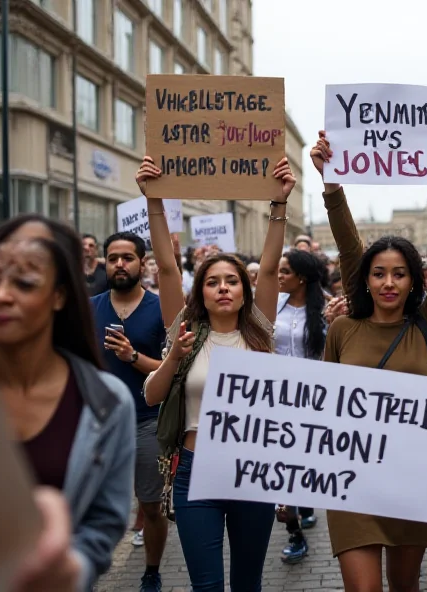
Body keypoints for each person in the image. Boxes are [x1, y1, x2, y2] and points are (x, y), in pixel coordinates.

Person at [311, 130, 427, 591]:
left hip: (409, 475)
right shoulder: (342, 329)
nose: (388, 282)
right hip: (350, 477)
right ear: (365, 280)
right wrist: (331, 186)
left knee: (404, 588)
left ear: (413, 280)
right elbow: (319, 399)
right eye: (378, 273)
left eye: (399, 274)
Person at [138, 155, 295, 592]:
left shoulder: (260, 332)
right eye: (212, 281)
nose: (223, 287)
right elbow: (167, 267)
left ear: (246, 292)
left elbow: (267, 266)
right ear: (200, 292)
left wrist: (278, 205)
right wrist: (154, 199)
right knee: (206, 586)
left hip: (252, 469)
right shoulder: (184, 332)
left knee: (248, 583)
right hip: (194, 470)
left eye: (231, 280)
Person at [0, 215, 135, 590]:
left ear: (59, 294)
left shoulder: (107, 402)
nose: (1, 294)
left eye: (24, 280)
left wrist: (69, 568)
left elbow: (103, 523)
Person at [90, 231, 168, 592]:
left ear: (142, 262)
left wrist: (132, 357)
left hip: (147, 422)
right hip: (97, 425)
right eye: (113, 258)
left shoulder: (159, 309)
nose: (119, 264)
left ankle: (151, 572)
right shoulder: (90, 308)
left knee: (150, 507)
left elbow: (171, 370)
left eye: (127, 257)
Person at [274, 249, 327, 563]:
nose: (278, 277)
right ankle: (294, 531)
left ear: (302, 277)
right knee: (280, 475)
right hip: (275, 402)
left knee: (302, 466)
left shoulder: (325, 310)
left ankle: (304, 503)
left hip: (312, 404)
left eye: (284, 272)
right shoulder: (270, 306)